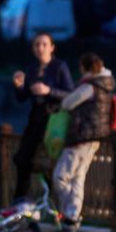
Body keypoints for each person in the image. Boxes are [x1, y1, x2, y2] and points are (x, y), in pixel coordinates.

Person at [53, 52, 115, 232]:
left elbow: (67, 103)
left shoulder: (90, 86)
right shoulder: (106, 84)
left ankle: (70, 214)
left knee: (60, 176)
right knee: (78, 177)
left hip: (82, 137)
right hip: (94, 137)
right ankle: (72, 218)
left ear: (86, 68)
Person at [12, 32, 74, 201]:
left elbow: (70, 93)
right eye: (37, 44)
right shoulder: (31, 69)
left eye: (44, 44)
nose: (40, 48)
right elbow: (22, 97)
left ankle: (53, 203)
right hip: (35, 118)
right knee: (23, 158)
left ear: (52, 47)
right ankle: (20, 200)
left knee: (50, 162)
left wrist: (49, 91)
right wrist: (19, 86)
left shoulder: (59, 67)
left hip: (53, 120)